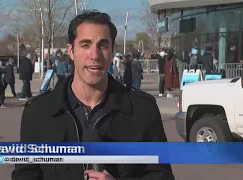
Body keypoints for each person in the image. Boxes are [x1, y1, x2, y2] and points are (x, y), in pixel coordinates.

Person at [12, 10, 174, 180]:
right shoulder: (38, 111)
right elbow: (25, 174)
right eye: (85, 45)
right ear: (71, 51)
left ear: (112, 52)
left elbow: (161, 175)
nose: (95, 56)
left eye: (103, 45)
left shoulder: (142, 109)